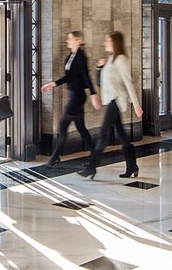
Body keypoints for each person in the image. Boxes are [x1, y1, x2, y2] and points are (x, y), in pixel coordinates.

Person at [84, 31, 142, 180]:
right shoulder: (110, 59)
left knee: (103, 132)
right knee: (122, 135)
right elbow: (99, 83)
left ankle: (91, 167)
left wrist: (136, 104)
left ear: (115, 43)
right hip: (110, 100)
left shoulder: (121, 59)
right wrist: (99, 68)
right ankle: (132, 165)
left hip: (116, 100)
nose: (105, 43)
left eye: (107, 41)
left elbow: (128, 82)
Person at [40, 30, 95, 166]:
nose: (67, 41)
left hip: (77, 96)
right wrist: (52, 84)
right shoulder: (71, 56)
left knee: (63, 126)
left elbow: (86, 76)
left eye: (70, 38)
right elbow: (69, 77)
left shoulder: (81, 56)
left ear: (78, 40)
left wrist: (93, 94)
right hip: (74, 94)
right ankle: (95, 155)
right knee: (81, 128)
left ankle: (54, 158)